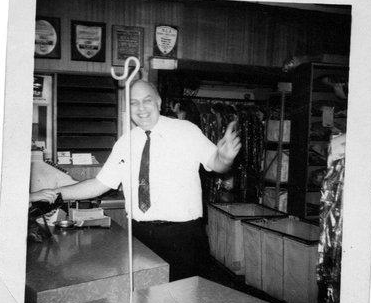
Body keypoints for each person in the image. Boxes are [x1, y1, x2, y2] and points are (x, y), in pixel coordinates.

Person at [37, 80, 241, 281]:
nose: (141, 108)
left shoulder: (186, 130)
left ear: (159, 102)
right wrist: (53, 194)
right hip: (140, 235)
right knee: (145, 299)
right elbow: (98, 185)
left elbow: (216, 164)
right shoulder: (125, 143)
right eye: (134, 103)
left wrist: (224, 158)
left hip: (183, 236)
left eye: (147, 100)